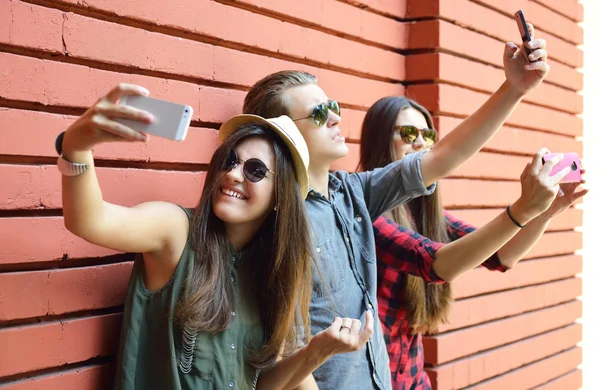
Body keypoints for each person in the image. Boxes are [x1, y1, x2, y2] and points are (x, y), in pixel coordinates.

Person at [242, 24, 552, 390]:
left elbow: (443, 157)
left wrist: (513, 89)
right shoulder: (282, 222)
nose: (337, 118)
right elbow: (286, 358)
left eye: (334, 107)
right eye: (320, 113)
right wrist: (524, 211)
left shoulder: (351, 193)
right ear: (285, 134)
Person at [57, 84, 371, 390]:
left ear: (280, 197)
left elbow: (264, 384)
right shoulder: (176, 231)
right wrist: (77, 147)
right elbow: (90, 220)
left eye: (256, 170)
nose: (233, 174)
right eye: (229, 161)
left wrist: (319, 350)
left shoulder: (272, 275)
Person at [360, 95, 587, 389]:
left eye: (428, 135)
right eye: (407, 133)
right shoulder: (363, 208)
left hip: (413, 380)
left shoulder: (425, 214)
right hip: (374, 381)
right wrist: (523, 208)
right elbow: (433, 261)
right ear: (379, 140)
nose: (421, 143)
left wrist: (545, 212)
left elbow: (502, 255)